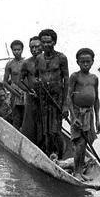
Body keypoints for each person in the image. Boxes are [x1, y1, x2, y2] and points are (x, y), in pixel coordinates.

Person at [34, 29, 70, 159]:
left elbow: (67, 81)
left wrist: (65, 104)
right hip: (43, 98)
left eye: (49, 42)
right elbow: (37, 76)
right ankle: (49, 154)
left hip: (57, 99)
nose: (46, 45)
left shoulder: (61, 58)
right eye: (43, 42)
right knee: (45, 129)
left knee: (56, 129)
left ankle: (59, 155)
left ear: (54, 42)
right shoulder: (39, 58)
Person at [67, 48, 100, 181]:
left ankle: (80, 171)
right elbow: (69, 97)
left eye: (88, 61)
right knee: (79, 143)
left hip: (89, 114)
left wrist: (98, 120)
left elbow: (96, 99)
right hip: (77, 113)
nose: (85, 64)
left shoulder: (94, 78)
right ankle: (76, 172)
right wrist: (73, 117)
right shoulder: (75, 77)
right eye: (83, 62)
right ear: (78, 62)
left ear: (92, 62)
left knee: (86, 143)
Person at [19, 36, 43, 146]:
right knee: (30, 123)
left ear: (42, 46)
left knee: (43, 123)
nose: (34, 49)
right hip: (31, 97)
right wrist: (29, 91)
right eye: (31, 47)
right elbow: (20, 81)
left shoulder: (48, 62)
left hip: (45, 98)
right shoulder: (27, 63)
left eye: (37, 47)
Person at [3, 40, 26, 129]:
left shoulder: (26, 63)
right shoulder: (10, 64)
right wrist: (16, 93)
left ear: (22, 50)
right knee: (16, 116)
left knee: (26, 116)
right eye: (14, 50)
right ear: (12, 50)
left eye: (19, 50)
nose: (17, 52)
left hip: (25, 91)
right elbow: (5, 82)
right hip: (15, 92)